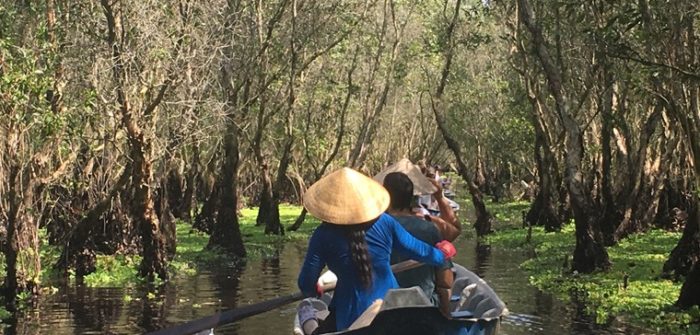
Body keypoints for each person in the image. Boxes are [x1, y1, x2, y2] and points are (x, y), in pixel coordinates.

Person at [297, 168, 456, 333]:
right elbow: (423, 252)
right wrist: (442, 252)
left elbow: (305, 283)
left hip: (349, 316)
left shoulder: (322, 235)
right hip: (393, 309)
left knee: (313, 326)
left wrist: (314, 289)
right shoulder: (385, 222)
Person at [383, 172, 454, 316]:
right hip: (425, 307)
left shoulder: (372, 228)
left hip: (383, 308)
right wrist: (446, 315)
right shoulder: (429, 229)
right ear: (411, 198)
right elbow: (445, 282)